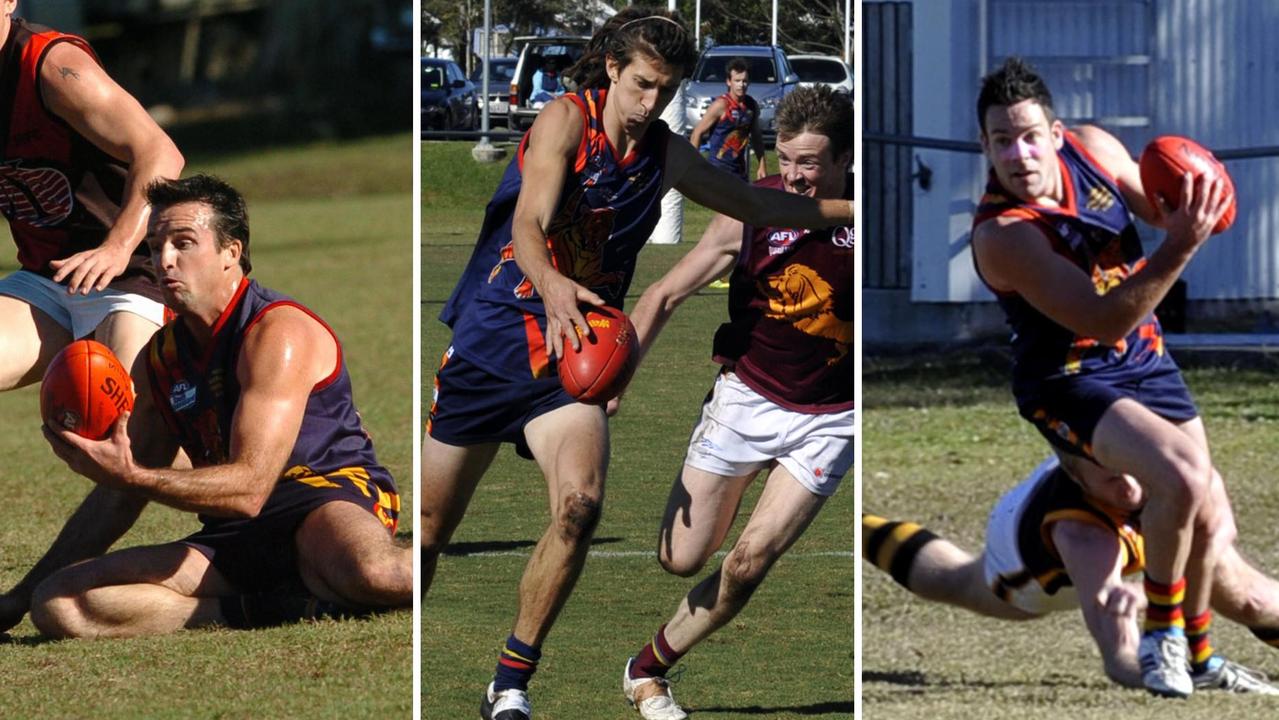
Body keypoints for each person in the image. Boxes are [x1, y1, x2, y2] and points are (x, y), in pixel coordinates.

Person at [419, 8, 854, 720]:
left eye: (667, 89)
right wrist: (553, 285)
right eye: (643, 84)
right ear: (614, 68)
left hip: (575, 358)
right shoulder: (565, 119)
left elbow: (749, 200)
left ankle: (511, 681)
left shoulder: (665, 153)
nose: (651, 103)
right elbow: (529, 222)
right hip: (493, 339)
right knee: (432, 534)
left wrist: (848, 209)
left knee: (581, 508)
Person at [18, 174, 411, 639]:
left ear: (232, 253)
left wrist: (131, 476)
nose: (164, 260)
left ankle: (383, 559)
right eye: (155, 244)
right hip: (236, 537)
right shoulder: (160, 357)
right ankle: (270, 607)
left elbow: (249, 489)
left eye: (184, 243)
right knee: (58, 602)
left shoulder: (276, 333)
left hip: (323, 499)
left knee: (380, 577)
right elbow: (122, 492)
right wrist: (17, 596)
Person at [969, 57, 1234, 697]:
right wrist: (1183, 245)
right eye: (1001, 141)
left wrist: (1194, 198)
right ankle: (1162, 636)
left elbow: (1164, 213)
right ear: (985, 147)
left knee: (1206, 513)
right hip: (1067, 377)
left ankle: (1198, 656)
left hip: (1145, 358)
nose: (1018, 154)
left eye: (1030, 135)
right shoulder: (1003, 233)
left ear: (1057, 135)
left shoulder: (1095, 148)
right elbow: (1103, 319)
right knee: (1180, 474)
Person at [618, 84, 852, 720]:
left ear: (844, 159)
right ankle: (730, 472)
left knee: (747, 565)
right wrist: (620, 378)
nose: (797, 176)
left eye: (812, 163)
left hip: (832, 418)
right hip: (748, 398)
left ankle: (647, 671)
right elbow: (663, 294)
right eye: (787, 159)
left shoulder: (874, 217)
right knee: (681, 558)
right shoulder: (751, 210)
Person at [0, 5, 185, 631]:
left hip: (131, 271)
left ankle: (273, 482)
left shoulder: (54, 65)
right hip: (48, 277)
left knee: (128, 437)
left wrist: (116, 245)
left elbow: (161, 152)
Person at [863, 452, 1279, 694]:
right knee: (952, 579)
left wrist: (1163, 592)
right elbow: (1121, 662)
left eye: (1127, 458)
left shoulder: (1173, 461)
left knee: (1252, 599)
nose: (1127, 477)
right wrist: (1186, 669)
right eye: (1105, 467)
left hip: (1117, 515)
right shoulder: (1082, 536)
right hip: (1027, 571)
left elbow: (1216, 533)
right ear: (1077, 473)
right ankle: (853, 521)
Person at [689, 56, 767, 183]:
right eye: (737, 81)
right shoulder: (720, 105)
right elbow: (697, 133)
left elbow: (756, 136)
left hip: (740, 171)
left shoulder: (751, 106)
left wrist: (762, 164)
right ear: (729, 82)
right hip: (718, 170)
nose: (741, 85)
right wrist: (693, 165)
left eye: (745, 81)